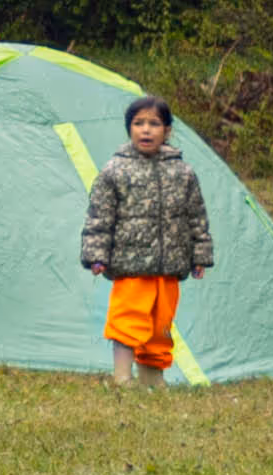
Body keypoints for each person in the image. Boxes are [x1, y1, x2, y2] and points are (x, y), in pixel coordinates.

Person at [85, 96, 212, 382]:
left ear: (167, 131)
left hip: (169, 266)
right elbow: (99, 218)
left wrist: (200, 255)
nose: (146, 130)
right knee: (127, 319)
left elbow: (196, 216)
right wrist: (97, 255)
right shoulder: (115, 171)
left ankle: (151, 380)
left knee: (160, 326)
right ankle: (121, 377)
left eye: (154, 124)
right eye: (138, 123)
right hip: (130, 264)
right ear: (129, 129)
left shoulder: (183, 172)